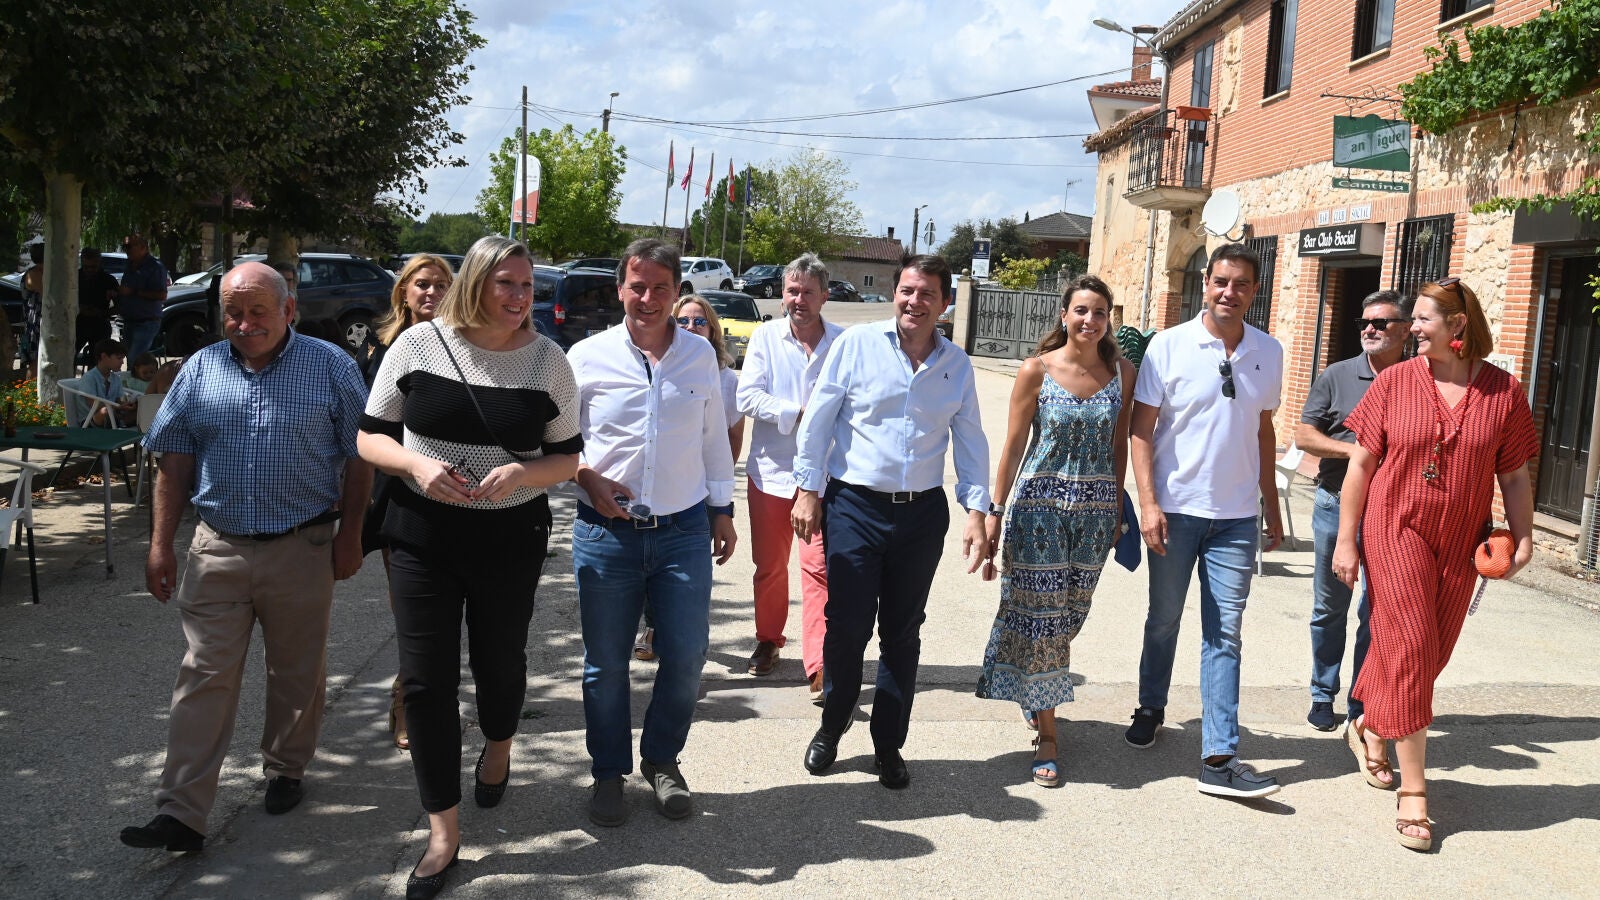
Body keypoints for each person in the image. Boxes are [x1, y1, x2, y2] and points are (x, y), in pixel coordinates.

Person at [121, 262, 371, 854]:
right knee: (202, 675)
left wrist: (352, 534)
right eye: (233, 312)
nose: (244, 323)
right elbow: (174, 458)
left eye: (258, 310)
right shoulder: (200, 369)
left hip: (303, 545)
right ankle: (181, 812)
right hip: (219, 547)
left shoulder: (332, 366)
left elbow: (360, 455)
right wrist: (160, 544)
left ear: (288, 310)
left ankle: (286, 767)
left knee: (295, 671)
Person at [358, 235, 579, 897]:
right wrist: (415, 464)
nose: (519, 297)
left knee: (499, 665)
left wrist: (523, 472)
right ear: (477, 282)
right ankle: (443, 834)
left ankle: (500, 744)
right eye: (506, 283)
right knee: (426, 683)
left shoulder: (548, 362)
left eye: (527, 286)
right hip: (422, 535)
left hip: (509, 538)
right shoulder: (417, 345)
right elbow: (370, 436)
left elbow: (568, 458)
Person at [1333, 277, 1537, 852]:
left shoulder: (1502, 391)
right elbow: (1360, 465)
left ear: (1458, 325)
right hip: (1395, 527)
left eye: (1422, 319)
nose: (1411, 328)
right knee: (1414, 645)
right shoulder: (1395, 382)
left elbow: (1514, 474)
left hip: (1461, 539)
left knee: (1429, 650)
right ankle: (1416, 793)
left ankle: (1370, 724)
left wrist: (1523, 539)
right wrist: (1346, 540)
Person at [793, 252, 991, 790]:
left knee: (902, 633)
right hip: (854, 506)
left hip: (920, 514)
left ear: (945, 303)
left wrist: (978, 510)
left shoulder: (956, 365)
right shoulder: (857, 345)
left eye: (927, 294)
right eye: (907, 290)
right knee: (848, 625)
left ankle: (888, 743)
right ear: (895, 294)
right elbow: (819, 419)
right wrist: (808, 489)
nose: (914, 301)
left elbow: (970, 440)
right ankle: (833, 724)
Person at [568, 238, 736, 827]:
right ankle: (608, 771)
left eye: (660, 288)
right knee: (606, 663)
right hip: (605, 532)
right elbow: (559, 443)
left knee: (687, 654)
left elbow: (714, 439)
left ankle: (662, 760)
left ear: (677, 292)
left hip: (683, 528)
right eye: (637, 287)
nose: (648, 298)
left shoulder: (699, 356)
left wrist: (722, 509)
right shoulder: (586, 357)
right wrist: (585, 477)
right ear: (620, 289)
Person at [1128, 242, 1285, 799]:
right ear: (1205, 283)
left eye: (1241, 284)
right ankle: (1151, 705)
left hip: (1236, 518)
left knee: (1225, 633)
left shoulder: (1269, 350)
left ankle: (1219, 755)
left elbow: (1262, 429)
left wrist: (1270, 503)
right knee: (1164, 619)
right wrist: (1148, 503)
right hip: (1175, 510)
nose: (1229, 292)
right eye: (1221, 281)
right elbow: (1141, 429)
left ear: (1254, 291)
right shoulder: (1168, 346)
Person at [975, 275, 1134, 787]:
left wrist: (1117, 506)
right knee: (1044, 621)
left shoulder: (1122, 372)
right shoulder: (1036, 370)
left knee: (1068, 618)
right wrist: (995, 511)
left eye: (1100, 312)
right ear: (1064, 315)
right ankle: (1048, 734)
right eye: (1081, 310)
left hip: (1095, 514)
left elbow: (1119, 445)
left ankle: (1032, 685)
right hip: (1037, 510)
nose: (1090, 320)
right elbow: (1013, 446)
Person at [1294, 290, 1409, 739]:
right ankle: (1322, 694)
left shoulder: (1420, 379)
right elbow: (1304, 435)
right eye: (1365, 322)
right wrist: (1359, 453)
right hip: (1334, 503)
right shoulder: (1337, 375)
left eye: (1380, 323)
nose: (1369, 329)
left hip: (1391, 513)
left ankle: (1361, 702)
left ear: (1406, 330)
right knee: (1329, 607)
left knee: (1376, 613)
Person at [736, 253, 844, 694]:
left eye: (808, 292)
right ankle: (768, 639)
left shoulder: (843, 342)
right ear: (783, 294)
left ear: (825, 296)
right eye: (792, 291)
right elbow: (747, 397)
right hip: (771, 473)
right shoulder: (765, 337)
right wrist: (798, 413)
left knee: (818, 568)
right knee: (769, 567)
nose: (799, 300)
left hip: (822, 478)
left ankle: (818, 662)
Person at [359, 253, 454, 754]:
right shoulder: (380, 348)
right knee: (412, 608)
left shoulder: (462, 343)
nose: (431, 292)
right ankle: (407, 699)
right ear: (403, 291)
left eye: (440, 284)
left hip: (454, 491)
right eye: (422, 284)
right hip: (397, 493)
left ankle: (434, 694)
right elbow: (366, 427)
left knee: (450, 606)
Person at [625, 294, 747, 664]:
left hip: (701, 490)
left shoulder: (726, 379)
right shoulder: (654, 368)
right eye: (684, 320)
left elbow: (730, 439)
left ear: (713, 330)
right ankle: (653, 627)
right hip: (656, 489)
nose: (691, 327)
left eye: (700, 321)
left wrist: (719, 496)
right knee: (653, 564)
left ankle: (688, 641)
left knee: (689, 575)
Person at [118, 233, 169, 362]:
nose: (127, 250)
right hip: (129, 321)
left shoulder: (155, 266)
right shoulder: (130, 265)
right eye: (125, 247)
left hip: (146, 322)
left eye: (130, 246)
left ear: (143, 248)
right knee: (130, 359)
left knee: (134, 360)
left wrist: (134, 292)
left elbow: (162, 295)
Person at [80, 338, 136, 426]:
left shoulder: (116, 378)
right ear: (104, 357)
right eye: (119, 358)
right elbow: (93, 405)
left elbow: (118, 401)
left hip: (113, 415)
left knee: (138, 409)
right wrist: (117, 407)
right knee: (105, 412)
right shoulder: (89, 377)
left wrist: (126, 405)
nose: (122, 362)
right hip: (90, 420)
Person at [77, 248, 120, 361]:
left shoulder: (108, 280)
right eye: (86, 267)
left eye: (93, 267)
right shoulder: (74, 278)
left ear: (100, 264)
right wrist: (79, 308)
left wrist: (102, 312)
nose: (89, 270)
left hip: (100, 324)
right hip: (77, 324)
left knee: (100, 360)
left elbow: (120, 306)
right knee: (67, 356)